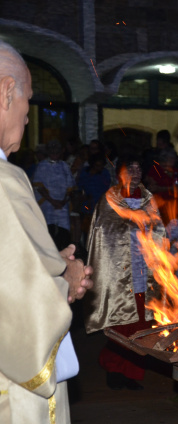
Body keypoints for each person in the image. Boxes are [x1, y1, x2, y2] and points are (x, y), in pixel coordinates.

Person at [0, 39, 93, 423]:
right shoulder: (4, 181)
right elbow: (18, 302)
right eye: (28, 99)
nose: (27, 115)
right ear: (6, 91)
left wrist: (47, 262)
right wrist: (65, 280)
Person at [84, 157, 165, 390]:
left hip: (143, 268)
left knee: (140, 323)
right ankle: (113, 368)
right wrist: (133, 223)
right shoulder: (111, 198)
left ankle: (131, 372)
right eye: (131, 168)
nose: (136, 171)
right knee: (120, 322)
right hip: (119, 270)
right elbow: (101, 231)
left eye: (139, 167)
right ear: (121, 172)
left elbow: (158, 232)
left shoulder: (148, 198)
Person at [33, 139, 76, 250]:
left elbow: (70, 186)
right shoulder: (42, 166)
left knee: (64, 234)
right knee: (49, 232)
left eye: (57, 151)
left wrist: (63, 201)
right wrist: (52, 201)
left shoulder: (64, 165)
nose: (55, 154)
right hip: (47, 205)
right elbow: (39, 186)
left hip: (62, 205)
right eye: (52, 152)